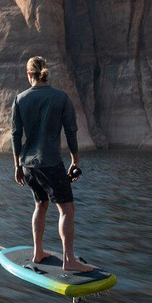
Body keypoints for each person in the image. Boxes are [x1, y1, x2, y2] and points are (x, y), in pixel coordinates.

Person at [11, 56, 93, 272]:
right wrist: (75, 159)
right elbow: (71, 131)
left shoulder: (20, 99)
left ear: (29, 75)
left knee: (41, 204)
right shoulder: (60, 98)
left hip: (28, 164)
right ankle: (69, 261)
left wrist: (17, 165)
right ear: (45, 74)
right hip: (50, 163)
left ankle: (38, 252)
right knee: (67, 209)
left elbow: (15, 134)